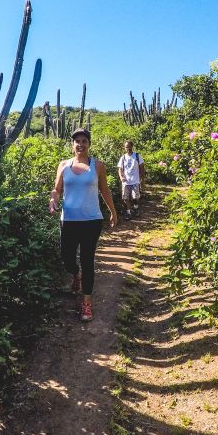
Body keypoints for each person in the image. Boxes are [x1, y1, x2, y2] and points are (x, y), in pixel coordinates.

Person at [49, 128, 118, 321]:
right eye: (77, 141)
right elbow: (57, 189)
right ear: (72, 144)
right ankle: (75, 274)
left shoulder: (98, 166)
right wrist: (53, 200)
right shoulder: (63, 165)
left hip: (91, 220)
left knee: (87, 260)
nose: (80, 144)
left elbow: (105, 190)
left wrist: (113, 212)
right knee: (67, 257)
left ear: (89, 144)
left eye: (84, 141)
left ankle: (86, 303)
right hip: (68, 220)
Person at [117, 140, 145, 219]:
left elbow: (142, 168)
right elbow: (120, 169)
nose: (128, 148)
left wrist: (142, 179)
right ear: (124, 148)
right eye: (126, 147)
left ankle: (136, 207)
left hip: (135, 180)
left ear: (132, 146)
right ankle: (128, 212)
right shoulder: (123, 158)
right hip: (126, 182)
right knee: (125, 198)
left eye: (129, 146)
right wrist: (121, 177)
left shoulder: (137, 156)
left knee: (135, 197)